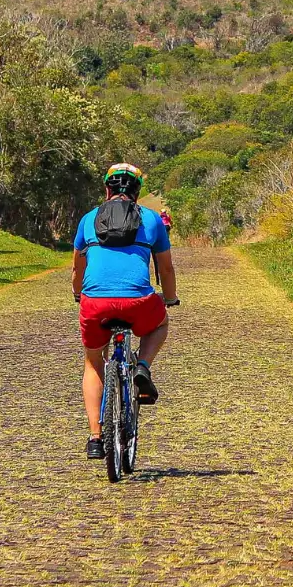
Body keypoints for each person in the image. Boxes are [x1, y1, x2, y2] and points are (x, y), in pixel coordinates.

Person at [72, 163, 177, 460]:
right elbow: (165, 268)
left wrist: (78, 293)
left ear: (107, 190)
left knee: (94, 363)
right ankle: (143, 365)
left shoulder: (89, 219)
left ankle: (95, 437)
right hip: (139, 302)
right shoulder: (152, 220)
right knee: (159, 324)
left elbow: (77, 267)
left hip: (95, 303)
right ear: (137, 192)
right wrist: (169, 298)